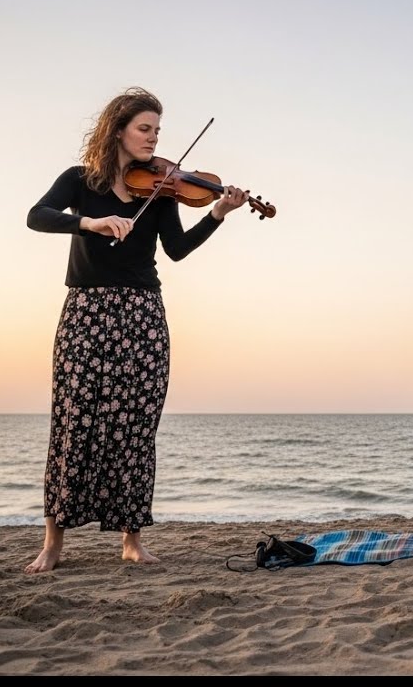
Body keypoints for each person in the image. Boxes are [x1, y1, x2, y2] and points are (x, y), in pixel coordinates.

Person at [23, 87, 251, 573]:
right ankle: (52, 543)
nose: (153, 139)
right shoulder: (79, 181)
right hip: (86, 312)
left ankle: (132, 539)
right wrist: (90, 222)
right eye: (144, 129)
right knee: (71, 421)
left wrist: (217, 213)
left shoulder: (162, 189)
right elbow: (36, 217)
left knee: (137, 426)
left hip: (144, 313)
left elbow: (177, 250)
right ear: (119, 130)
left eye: (157, 131)